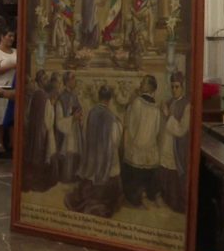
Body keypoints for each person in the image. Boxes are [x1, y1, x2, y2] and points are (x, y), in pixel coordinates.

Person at [64, 85, 122, 218]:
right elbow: (115, 141)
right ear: (109, 100)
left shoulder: (91, 113)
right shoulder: (112, 117)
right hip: (106, 164)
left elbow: (85, 133)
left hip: (92, 161)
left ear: (99, 97)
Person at [122, 75, 162, 208]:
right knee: (147, 171)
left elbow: (131, 124)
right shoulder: (156, 107)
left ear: (150, 86)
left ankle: (135, 198)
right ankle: (147, 195)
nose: (140, 83)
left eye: (144, 82)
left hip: (137, 144)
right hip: (150, 145)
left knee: (134, 172)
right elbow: (156, 129)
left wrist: (133, 141)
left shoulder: (137, 102)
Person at [21, 70, 57, 192]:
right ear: (41, 81)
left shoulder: (35, 94)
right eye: (45, 79)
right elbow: (49, 120)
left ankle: (32, 181)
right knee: (41, 154)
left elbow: (28, 113)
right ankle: (38, 182)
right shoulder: (45, 97)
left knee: (33, 154)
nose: (47, 81)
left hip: (33, 129)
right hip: (42, 132)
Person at [159, 71, 190, 214]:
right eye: (172, 87)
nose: (174, 90)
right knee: (165, 172)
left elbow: (182, 130)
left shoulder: (187, 105)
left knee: (175, 175)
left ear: (182, 87)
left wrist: (168, 116)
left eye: (177, 87)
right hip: (166, 144)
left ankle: (177, 202)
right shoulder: (169, 102)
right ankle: (166, 198)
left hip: (177, 145)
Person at [54, 71, 83, 183]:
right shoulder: (61, 98)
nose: (75, 81)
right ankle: (65, 178)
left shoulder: (74, 96)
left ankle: (73, 176)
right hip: (66, 133)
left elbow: (78, 110)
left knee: (75, 152)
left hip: (75, 131)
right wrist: (72, 119)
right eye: (73, 78)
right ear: (67, 81)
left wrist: (80, 116)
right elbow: (59, 121)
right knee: (68, 152)